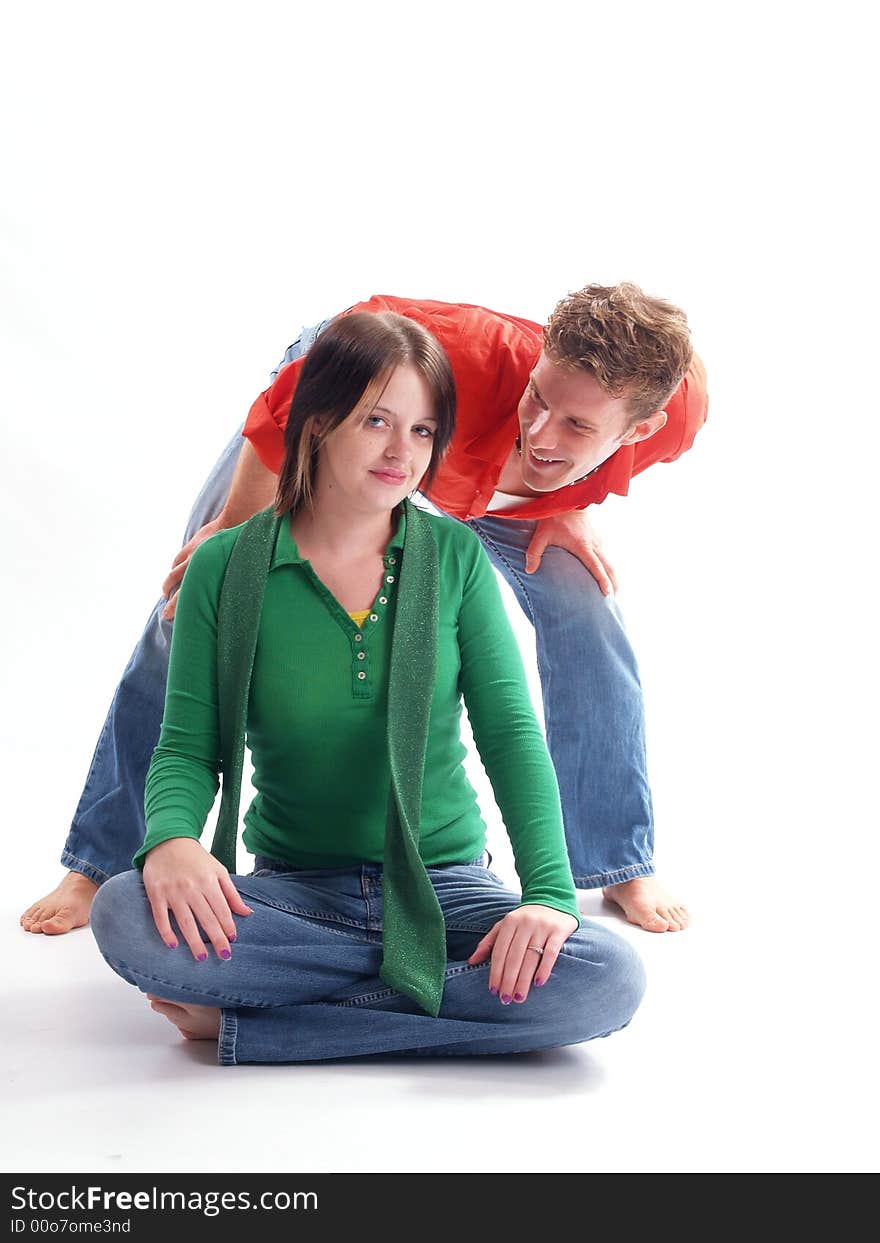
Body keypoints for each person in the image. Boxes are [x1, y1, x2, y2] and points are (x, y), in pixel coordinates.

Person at [22, 283, 707, 939]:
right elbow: (297, 395)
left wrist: (569, 501)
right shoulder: (465, 356)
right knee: (190, 605)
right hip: (374, 414)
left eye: (578, 424)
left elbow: (588, 439)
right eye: (538, 397)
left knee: (588, 607)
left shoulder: (677, 415)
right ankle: (100, 858)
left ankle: (619, 861)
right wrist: (234, 533)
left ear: (645, 425)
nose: (541, 428)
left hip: (493, 483)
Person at [88, 312, 645, 1062]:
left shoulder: (453, 559)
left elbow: (511, 736)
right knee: (126, 912)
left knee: (606, 976)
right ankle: (428, 999)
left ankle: (263, 1025)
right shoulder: (227, 568)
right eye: (376, 420)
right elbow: (188, 745)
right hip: (297, 895)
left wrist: (547, 896)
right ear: (317, 421)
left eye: (422, 431)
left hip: (449, 892)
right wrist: (173, 841)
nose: (400, 452)